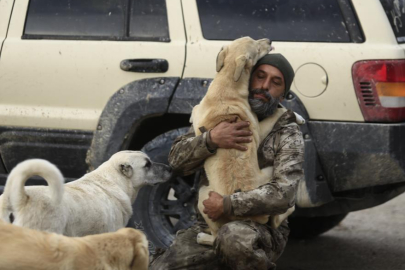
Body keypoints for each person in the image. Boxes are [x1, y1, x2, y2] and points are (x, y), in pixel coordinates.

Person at [150, 53, 305, 270]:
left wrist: (228, 204)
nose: (264, 86)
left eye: (275, 82)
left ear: (282, 96)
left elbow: (284, 194)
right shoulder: (220, 113)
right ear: (248, 79)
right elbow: (176, 161)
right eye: (260, 76)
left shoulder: (287, 132)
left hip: (261, 230)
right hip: (208, 226)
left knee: (233, 238)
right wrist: (210, 139)